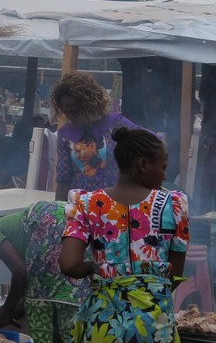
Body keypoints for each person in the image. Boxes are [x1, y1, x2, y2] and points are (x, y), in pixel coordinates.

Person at [60, 127, 189, 343]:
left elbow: (69, 264)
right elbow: (174, 275)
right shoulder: (174, 205)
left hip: (103, 325)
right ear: (143, 164)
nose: (165, 175)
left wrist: (100, 268)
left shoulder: (85, 204)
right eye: (163, 167)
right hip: (154, 325)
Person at [0, 201, 89, 343]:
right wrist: (12, 309)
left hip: (47, 223)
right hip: (73, 222)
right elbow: (28, 280)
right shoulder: (17, 238)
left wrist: (7, 309)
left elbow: (20, 272)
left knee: (38, 304)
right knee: (66, 303)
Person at [52, 71, 140, 201]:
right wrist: (59, 211)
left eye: (74, 110)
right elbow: (64, 177)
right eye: (66, 112)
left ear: (89, 104)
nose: (70, 116)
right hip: (80, 204)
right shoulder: (65, 134)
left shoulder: (116, 123)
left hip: (115, 200)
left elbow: (150, 143)